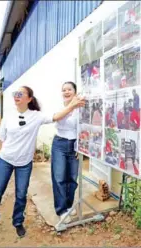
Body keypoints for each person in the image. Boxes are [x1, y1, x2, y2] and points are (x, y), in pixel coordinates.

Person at [0, 86, 84, 238]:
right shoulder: (8, 116)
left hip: (24, 163)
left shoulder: (36, 116)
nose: (16, 96)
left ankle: (18, 222)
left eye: (21, 94)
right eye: (15, 94)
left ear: (29, 99)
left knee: (21, 194)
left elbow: (56, 116)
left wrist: (72, 105)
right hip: (6, 159)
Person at [51, 81, 84, 225]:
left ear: (75, 92)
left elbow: (82, 128)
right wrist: (72, 105)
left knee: (72, 178)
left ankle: (69, 206)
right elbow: (57, 118)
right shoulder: (59, 106)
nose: (66, 92)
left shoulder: (81, 109)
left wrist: (80, 146)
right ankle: (61, 210)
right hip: (60, 144)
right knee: (59, 178)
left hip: (74, 145)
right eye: (63, 90)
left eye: (69, 89)